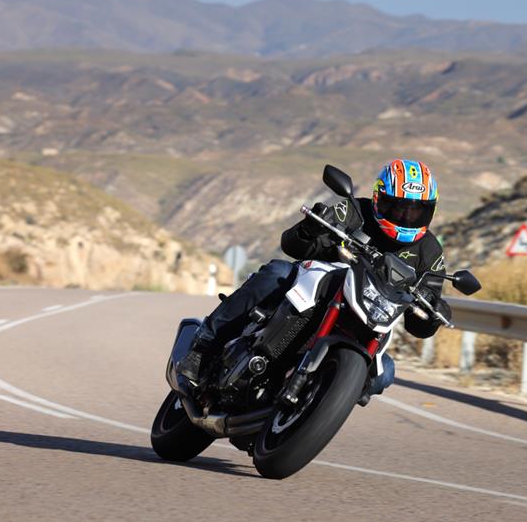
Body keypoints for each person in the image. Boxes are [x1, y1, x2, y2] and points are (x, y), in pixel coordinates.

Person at [178, 159, 452, 394]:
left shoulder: (429, 251)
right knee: (277, 272)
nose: (405, 215)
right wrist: (309, 229)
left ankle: (321, 400)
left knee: (384, 374)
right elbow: (293, 245)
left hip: (370, 316)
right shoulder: (355, 210)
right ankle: (204, 345)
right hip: (320, 285)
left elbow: (423, 317)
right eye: (398, 207)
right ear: (380, 198)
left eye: (415, 210)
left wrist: (434, 309)